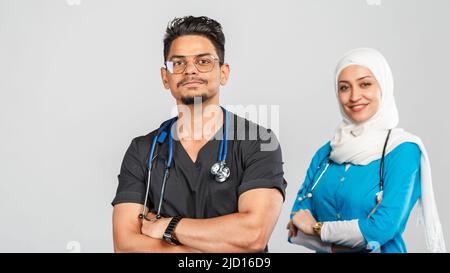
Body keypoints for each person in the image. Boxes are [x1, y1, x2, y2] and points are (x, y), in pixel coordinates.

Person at [112, 16, 286, 253]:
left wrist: (168, 226)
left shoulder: (258, 142)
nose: (190, 70)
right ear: (166, 77)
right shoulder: (143, 149)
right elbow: (125, 246)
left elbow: (252, 235)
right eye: (178, 63)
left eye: (203, 61)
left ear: (223, 73)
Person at [287, 48, 446, 253]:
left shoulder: (403, 150)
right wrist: (349, 240)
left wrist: (316, 228)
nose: (354, 96)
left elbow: (382, 229)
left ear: (383, 86)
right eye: (344, 88)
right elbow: (295, 228)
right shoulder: (326, 153)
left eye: (365, 84)